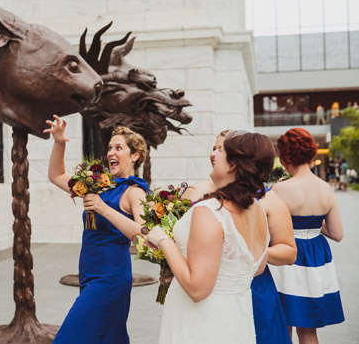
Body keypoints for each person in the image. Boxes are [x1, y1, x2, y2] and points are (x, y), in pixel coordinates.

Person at [144, 131, 273, 344]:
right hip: (236, 320)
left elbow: (197, 289)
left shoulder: (210, 211)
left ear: (233, 164)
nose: (213, 155)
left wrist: (163, 241)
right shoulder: (257, 210)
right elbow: (255, 268)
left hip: (202, 323)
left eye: (220, 150)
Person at [182, 131, 297, 344]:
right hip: (197, 291)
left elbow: (289, 251)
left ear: (238, 160)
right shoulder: (195, 190)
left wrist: (238, 253)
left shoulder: (267, 198)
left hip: (250, 289)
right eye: (213, 148)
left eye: (221, 149)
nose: (213, 154)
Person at [45, 116, 149, 344]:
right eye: (110, 147)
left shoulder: (134, 192)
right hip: (89, 273)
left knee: (69, 338)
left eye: (119, 148)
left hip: (110, 277)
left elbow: (146, 236)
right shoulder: (98, 184)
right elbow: (56, 176)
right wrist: (60, 142)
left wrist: (103, 209)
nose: (111, 152)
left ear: (135, 155)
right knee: (107, 338)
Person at [270, 128, 345, 344]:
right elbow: (337, 234)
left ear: (285, 157)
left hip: (287, 256)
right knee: (309, 330)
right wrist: (314, 225)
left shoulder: (280, 190)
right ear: (310, 154)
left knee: (284, 326)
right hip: (316, 258)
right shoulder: (326, 189)